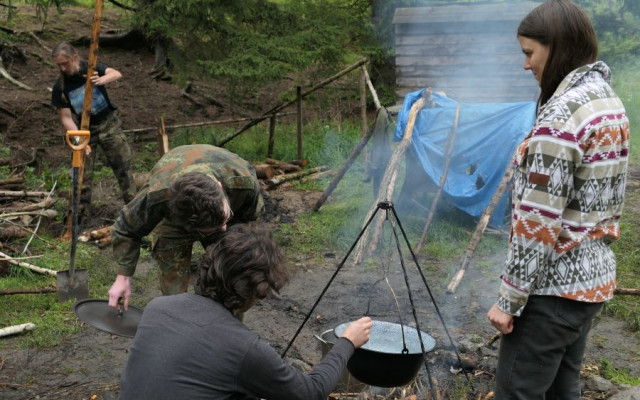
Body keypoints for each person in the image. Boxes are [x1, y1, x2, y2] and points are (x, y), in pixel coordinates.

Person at [486, 1, 630, 399]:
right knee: (562, 392)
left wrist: (509, 301)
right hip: (590, 285)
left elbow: (538, 222)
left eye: (529, 53)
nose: (526, 65)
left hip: (551, 293)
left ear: (558, 47)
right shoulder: (605, 101)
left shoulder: (561, 118)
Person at [118, 223, 373, 399]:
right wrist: (347, 342)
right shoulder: (243, 347)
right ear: (255, 292)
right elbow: (312, 392)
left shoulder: (157, 307)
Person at [108, 144, 265, 310]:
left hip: (227, 188)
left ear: (219, 186)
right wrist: (122, 277)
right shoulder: (158, 197)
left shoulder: (243, 182)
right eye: (210, 229)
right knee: (174, 296)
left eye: (226, 218)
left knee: (232, 284)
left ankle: (228, 327)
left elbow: (249, 223)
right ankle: (179, 324)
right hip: (174, 215)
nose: (224, 229)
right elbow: (125, 228)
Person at [51, 42, 136, 210]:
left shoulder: (89, 68)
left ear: (73, 57)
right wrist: (79, 139)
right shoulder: (60, 87)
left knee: (124, 170)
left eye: (65, 63)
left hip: (109, 125)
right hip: (85, 130)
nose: (62, 68)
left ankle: (135, 213)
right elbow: (66, 118)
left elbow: (116, 73)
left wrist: (102, 79)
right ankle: (79, 220)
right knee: (81, 177)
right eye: (58, 65)